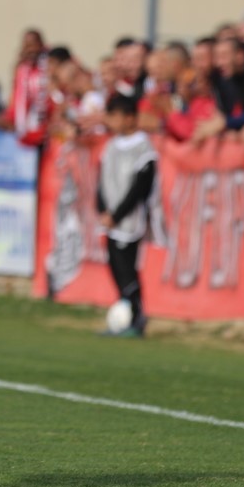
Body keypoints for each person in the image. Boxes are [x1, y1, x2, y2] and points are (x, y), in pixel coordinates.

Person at [96, 94, 156, 337]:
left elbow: (139, 188)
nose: (111, 121)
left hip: (129, 220)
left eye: (115, 115)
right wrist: (102, 210)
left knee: (127, 269)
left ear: (130, 117)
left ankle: (136, 317)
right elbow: (102, 182)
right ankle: (127, 315)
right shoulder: (110, 146)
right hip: (110, 219)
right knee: (115, 267)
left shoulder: (144, 148)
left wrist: (117, 214)